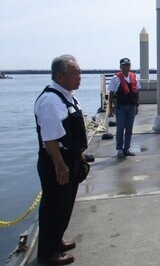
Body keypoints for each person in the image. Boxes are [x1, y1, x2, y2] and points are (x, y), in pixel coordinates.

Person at [35, 55, 87, 265]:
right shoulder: (51, 101)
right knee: (54, 206)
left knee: (65, 205)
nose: (79, 77)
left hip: (70, 158)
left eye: (80, 73)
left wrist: (80, 157)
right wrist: (60, 164)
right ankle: (48, 254)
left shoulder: (68, 96)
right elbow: (50, 138)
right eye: (74, 73)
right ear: (59, 75)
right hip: (57, 160)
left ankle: (57, 240)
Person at [108, 58, 141, 158]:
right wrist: (110, 107)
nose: (126, 67)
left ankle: (127, 148)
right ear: (120, 67)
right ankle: (119, 149)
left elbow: (137, 92)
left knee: (129, 128)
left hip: (131, 106)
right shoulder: (115, 78)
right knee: (120, 128)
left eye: (128, 65)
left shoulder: (134, 77)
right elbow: (111, 93)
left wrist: (137, 105)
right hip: (121, 106)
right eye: (124, 65)